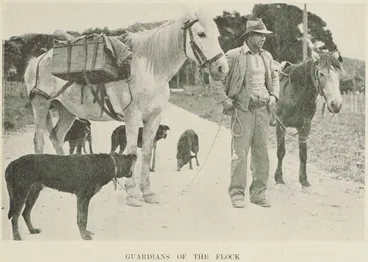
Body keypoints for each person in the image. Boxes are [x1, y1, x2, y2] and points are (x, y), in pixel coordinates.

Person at [213, 18, 279, 208]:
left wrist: (274, 95)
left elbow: (274, 79)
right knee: (239, 153)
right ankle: (237, 194)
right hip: (242, 111)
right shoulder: (234, 56)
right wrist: (224, 100)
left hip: (263, 110)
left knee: (261, 154)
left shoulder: (267, 56)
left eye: (265, 36)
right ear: (249, 36)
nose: (263, 40)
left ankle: (258, 194)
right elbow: (216, 78)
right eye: (259, 35)